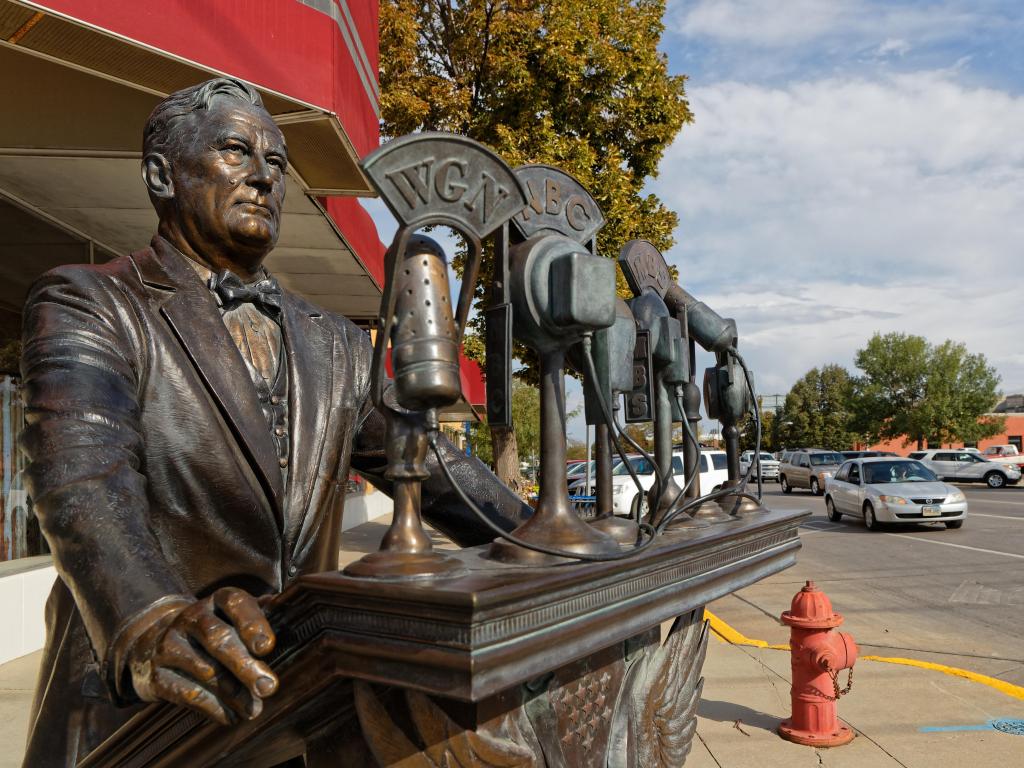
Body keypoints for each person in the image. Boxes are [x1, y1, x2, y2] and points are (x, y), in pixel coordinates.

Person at [19, 78, 529, 767]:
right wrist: (148, 617)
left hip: (292, 710)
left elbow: (433, 466)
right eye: (236, 151)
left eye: (278, 163)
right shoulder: (93, 304)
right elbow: (82, 480)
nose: (264, 176)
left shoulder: (335, 342)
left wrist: (543, 536)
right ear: (161, 175)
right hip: (147, 716)